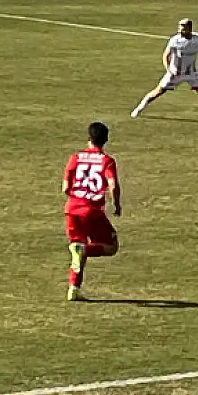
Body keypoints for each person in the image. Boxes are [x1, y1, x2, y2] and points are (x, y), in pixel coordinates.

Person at [62, 122, 121, 302]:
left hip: (72, 209)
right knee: (111, 247)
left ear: (88, 138)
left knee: (77, 250)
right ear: (106, 140)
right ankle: (84, 250)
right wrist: (117, 204)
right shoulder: (107, 161)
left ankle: (74, 289)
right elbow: (113, 184)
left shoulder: (75, 158)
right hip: (92, 211)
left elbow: (65, 188)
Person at [131, 18, 198, 123]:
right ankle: (139, 109)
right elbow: (166, 55)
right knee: (158, 92)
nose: (180, 30)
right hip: (175, 73)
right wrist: (169, 70)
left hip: (192, 73)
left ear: (189, 28)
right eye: (180, 27)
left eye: (183, 27)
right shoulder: (175, 40)